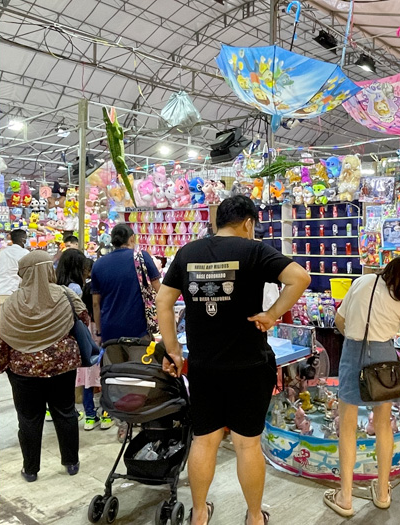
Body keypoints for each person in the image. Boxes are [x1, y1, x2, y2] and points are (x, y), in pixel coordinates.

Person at [157, 195, 311, 525]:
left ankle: (199, 515)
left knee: (205, 440)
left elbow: (163, 301)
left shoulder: (188, 253)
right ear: (247, 222)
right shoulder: (253, 250)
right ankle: (255, 517)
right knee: (246, 445)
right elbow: (300, 277)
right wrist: (271, 314)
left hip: (202, 366)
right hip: (249, 365)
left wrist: (172, 350)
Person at [323, 248, 400, 518]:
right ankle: (384, 492)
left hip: (353, 353)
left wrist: (355, 339)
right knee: (383, 425)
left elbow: (339, 320)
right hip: (385, 359)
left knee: (347, 427)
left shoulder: (362, 282)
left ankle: (346, 497)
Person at [0, 250, 86, 482]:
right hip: (63, 367)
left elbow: (3, 338)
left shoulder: (12, 303)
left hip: (23, 371)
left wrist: (3, 365)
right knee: (65, 412)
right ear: (49, 269)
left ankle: (30, 470)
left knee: (29, 419)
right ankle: (71, 462)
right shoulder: (66, 295)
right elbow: (84, 320)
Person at [57, 249, 110, 430]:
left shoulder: (78, 288)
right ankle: (106, 414)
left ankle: (89, 416)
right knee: (105, 375)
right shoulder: (94, 288)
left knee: (88, 377)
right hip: (100, 333)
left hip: (84, 336)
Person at [91, 223, 160, 343]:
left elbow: (96, 303)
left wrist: (99, 330)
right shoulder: (142, 257)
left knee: (114, 361)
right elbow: (160, 291)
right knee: (139, 361)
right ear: (132, 238)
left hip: (110, 332)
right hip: (139, 329)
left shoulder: (98, 264)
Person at [0, 229, 30, 304]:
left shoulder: (3, 252)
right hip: (14, 293)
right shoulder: (25, 253)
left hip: (0, 290)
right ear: (23, 240)